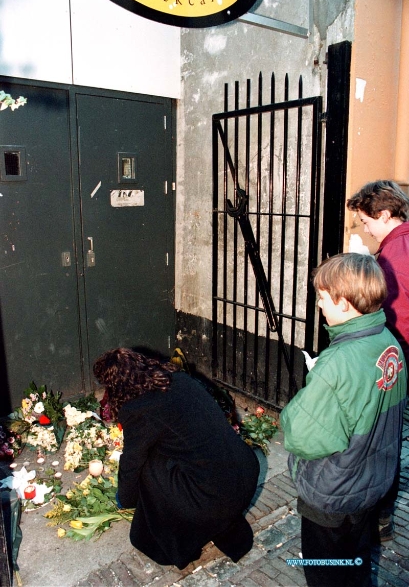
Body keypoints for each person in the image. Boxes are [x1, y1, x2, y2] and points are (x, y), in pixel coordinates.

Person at [280, 253, 407, 587]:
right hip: (372, 484)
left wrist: (315, 393)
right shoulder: (389, 342)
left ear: (345, 303)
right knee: (357, 562)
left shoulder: (336, 364)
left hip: (334, 496)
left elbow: (300, 435)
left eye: (322, 297)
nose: (319, 304)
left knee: (326, 573)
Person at [93, 348, 260, 570]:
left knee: (149, 466)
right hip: (244, 475)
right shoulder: (178, 379)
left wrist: (126, 499)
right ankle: (221, 525)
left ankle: (175, 541)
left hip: (215, 497)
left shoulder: (139, 408)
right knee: (169, 453)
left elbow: (132, 462)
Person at [347, 179, 409, 541]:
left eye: (367, 222)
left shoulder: (391, 258)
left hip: (393, 357)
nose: (366, 229)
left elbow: (374, 315)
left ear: (384, 214)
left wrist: (360, 267)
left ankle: (377, 516)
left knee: (379, 438)